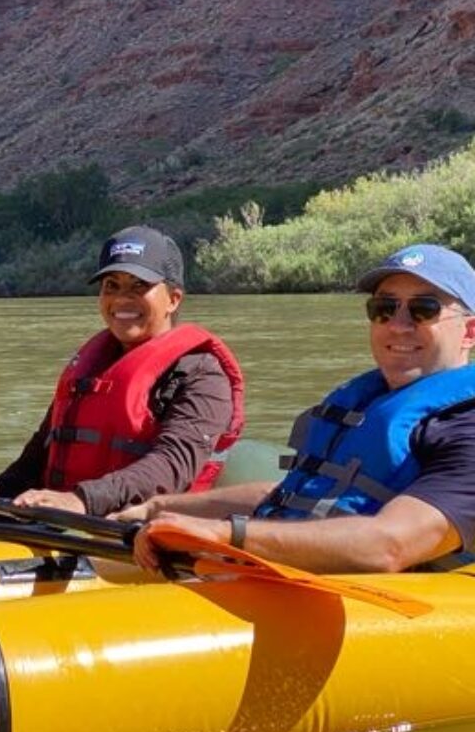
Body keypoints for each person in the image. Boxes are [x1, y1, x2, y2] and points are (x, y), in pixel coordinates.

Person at [125, 242, 475, 574]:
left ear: (469, 331)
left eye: (423, 309)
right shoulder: (366, 401)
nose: (398, 325)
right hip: (289, 581)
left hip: (388, 606)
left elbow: (389, 545)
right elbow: (285, 496)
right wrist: (156, 508)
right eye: (383, 308)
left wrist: (225, 534)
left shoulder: (465, 428)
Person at [0, 225, 245, 517]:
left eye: (139, 286)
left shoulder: (203, 376)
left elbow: (171, 467)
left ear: (173, 299)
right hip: (61, 521)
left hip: (139, 536)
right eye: (112, 286)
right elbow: (38, 456)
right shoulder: (92, 368)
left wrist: (80, 499)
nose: (122, 298)